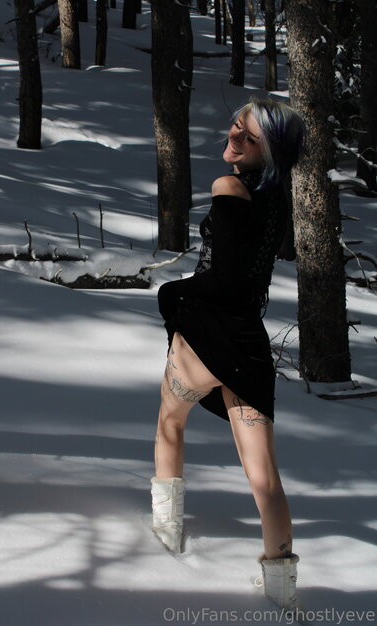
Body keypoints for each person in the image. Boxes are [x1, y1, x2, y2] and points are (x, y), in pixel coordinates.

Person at [150, 97, 306, 610]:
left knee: (170, 425)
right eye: (236, 126)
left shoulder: (228, 187)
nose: (234, 138)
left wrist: (172, 293)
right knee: (265, 479)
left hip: (204, 335)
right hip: (248, 344)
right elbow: (250, 283)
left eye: (249, 137)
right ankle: (283, 594)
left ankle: (163, 539)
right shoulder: (277, 199)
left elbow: (223, 279)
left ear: (270, 151)